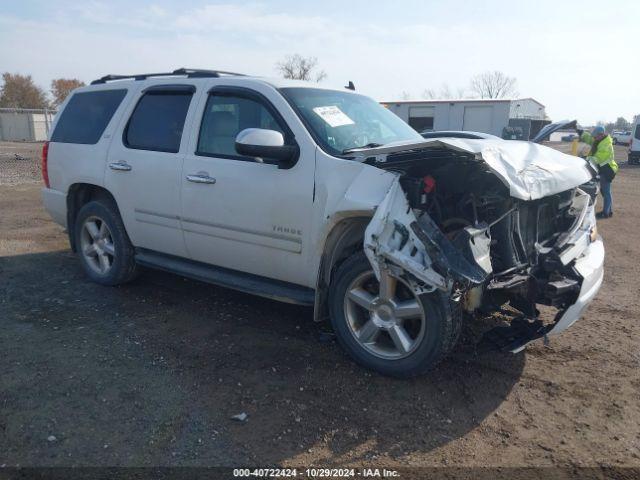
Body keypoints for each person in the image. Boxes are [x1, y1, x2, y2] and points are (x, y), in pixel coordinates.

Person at [577, 126, 618, 218]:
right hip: (604, 169)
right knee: (605, 191)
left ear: (601, 134)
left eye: (595, 137)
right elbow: (589, 139)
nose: (594, 138)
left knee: (606, 192)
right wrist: (581, 132)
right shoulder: (599, 140)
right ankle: (608, 211)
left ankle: (606, 213)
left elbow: (599, 158)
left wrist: (586, 158)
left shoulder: (606, 145)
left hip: (608, 170)